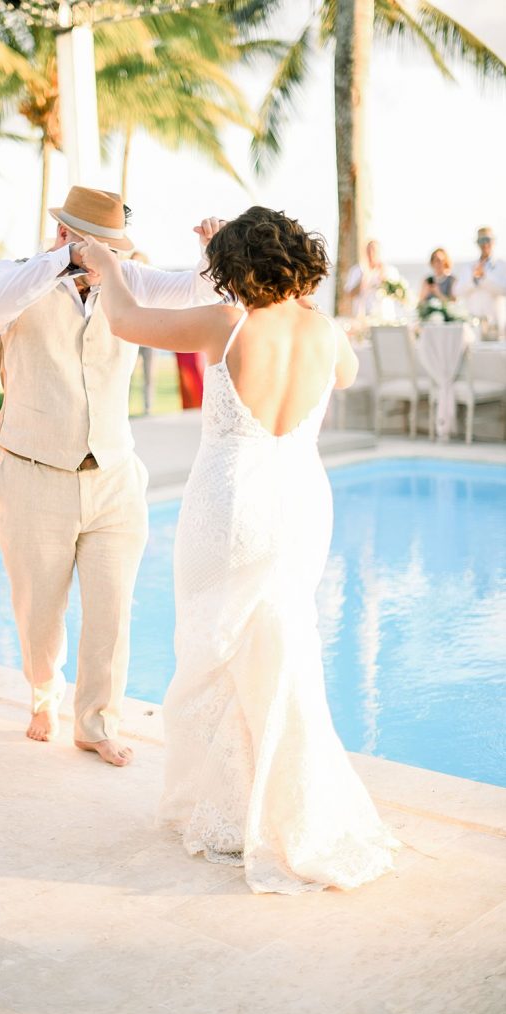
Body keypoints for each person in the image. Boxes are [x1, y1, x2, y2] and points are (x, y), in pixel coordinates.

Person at [82, 206, 399, 892]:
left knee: (214, 649)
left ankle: (228, 819)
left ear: (233, 271)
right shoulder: (323, 330)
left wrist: (106, 267)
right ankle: (285, 810)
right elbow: (341, 375)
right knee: (281, 645)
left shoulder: (227, 323)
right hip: (299, 502)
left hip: (229, 502)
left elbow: (124, 319)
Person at [0, 186, 223, 766]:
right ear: (65, 236)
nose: (110, 257)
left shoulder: (128, 280)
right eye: (99, 246)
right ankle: (44, 695)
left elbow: (195, 291)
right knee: (39, 612)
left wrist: (216, 252)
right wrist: (69, 260)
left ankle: (95, 722)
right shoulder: (14, 279)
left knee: (112, 610)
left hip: (113, 474)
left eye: (114, 247)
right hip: (33, 471)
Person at [455, 227, 506, 338]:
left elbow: (503, 290)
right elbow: (457, 292)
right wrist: (473, 280)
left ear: (493, 241)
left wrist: (485, 277)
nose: (484, 244)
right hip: (473, 323)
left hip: (495, 323)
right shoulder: (468, 267)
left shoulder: (502, 266)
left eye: (487, 239)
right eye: (481, 241)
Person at [344, 239, 399, 319]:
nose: (371, 254)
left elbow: (396, 294)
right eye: (369, 251)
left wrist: (384, 276)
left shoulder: (390, 271)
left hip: (385, 317)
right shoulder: (356, 271)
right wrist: (364, 277)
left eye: (375, 251)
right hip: (362, 317)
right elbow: (350, 294)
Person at [131, 251, 156, 415]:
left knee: (149, 374)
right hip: (131, 337)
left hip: (149, 338)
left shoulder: (152, 287)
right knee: (127, 376)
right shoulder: (126, 285)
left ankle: (148, 407)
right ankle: (123, 409)